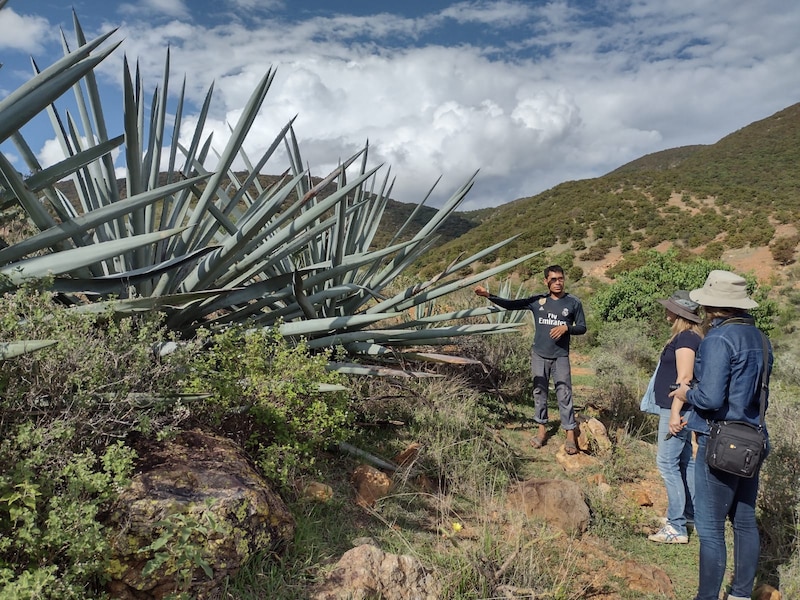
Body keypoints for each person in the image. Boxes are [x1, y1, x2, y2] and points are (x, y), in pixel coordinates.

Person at [671, 270, 773, 600]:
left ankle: (707, 596)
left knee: (711, 527)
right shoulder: (760, 338)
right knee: (744, 521)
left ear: (713, 306)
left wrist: (685, 393)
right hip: (753, 440)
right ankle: (742, 594)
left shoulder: (718, 339)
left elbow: (712, 398)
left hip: (721, 441)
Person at [474, 265, 587, 454]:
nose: (557, 282)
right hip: (539, 355)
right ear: (546, 281)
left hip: (560, 356)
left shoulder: (573, 303)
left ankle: (569, 434)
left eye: (560, 278)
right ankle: (541, 430)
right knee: (539, 392)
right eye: (553, 279)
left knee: (564, 393)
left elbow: (582, 327)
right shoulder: (537, 300)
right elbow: (512, 304)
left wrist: (567, 328)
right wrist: (489, 295)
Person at [647, 290, 703, 544]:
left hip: (676, 409)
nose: (666, 311)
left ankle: (676, 527)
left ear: (679, 313)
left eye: (669, 307)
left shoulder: (686, 340)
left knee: (667, 465)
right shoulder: (687, 337)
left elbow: (684, 379)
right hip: (679, 409)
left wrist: (675, 414)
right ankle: (688, 515)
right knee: (683, 463)